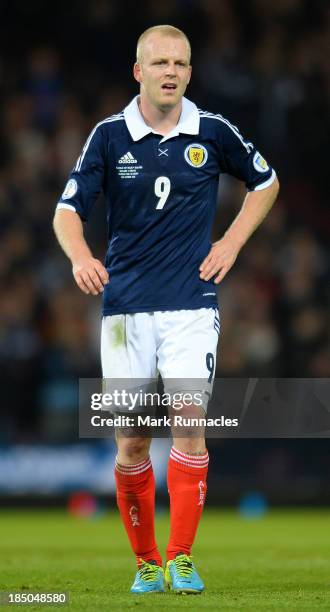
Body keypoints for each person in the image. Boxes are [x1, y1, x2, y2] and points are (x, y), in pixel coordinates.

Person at [53, 24, 279, 595]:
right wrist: (81, 256)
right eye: (159, 63)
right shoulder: (109, 136)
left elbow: (266, 182)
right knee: (130, 439)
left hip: (191, 305)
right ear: (138, 71)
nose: (170, 72)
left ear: (190, 72)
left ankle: (180, 557)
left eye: (180, 63)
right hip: (126, 309)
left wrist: (229, 243)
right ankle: (147, 562)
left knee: (188, 427)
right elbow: (66, 211)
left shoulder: (212, 130)